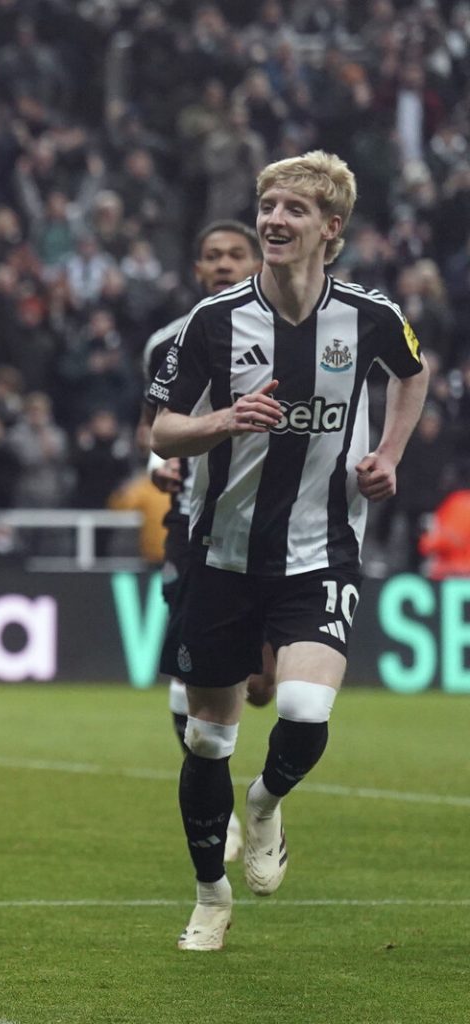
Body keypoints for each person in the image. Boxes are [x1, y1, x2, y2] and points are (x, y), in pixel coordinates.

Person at [148, 152, 429, 951]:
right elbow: (163, 430)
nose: (273, 219)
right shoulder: (213, 322)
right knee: (208, 739)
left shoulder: (371, 315)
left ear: (330, 229)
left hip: (321, 551)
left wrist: (389, 456)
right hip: (223, 555)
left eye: (293, 209)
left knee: (304, 710)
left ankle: (266, 803)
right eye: (267, 205)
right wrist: (224, 420)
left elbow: (413, 374)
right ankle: (210, 896)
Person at [138, 220, 273, 865]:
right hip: (194, 524)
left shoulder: (289, 333)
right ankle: (220, 806)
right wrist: (156, 464)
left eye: (235, 254)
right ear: (197, 269)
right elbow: (151, 427)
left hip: (273, 525)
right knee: (188, 669)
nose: (223, 264)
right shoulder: (168, 341)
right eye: (212, 256)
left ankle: (262, 789)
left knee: (263, 686)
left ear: (258, 261)